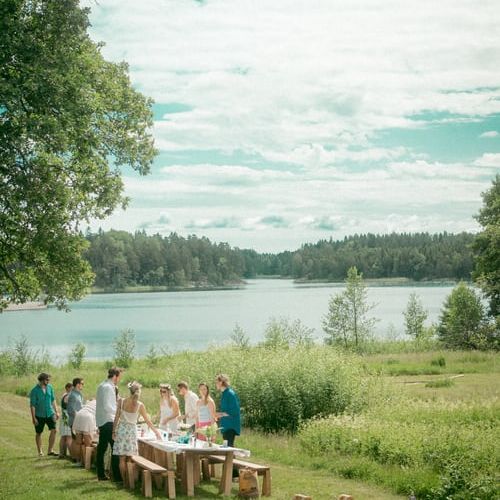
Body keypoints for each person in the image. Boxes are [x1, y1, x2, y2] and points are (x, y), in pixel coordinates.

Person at [113, 381, 161, 482]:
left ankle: (123, 481)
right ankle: (129, 481)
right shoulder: (140, 405)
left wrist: (113, 431)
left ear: (130, 391)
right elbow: (148, 421)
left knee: (121, 458)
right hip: (131, 432)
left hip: (121, 430)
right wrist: (156, 432)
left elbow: (116, 418)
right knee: (130, 458)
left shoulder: (121, 401)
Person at [95, 367, 123, 481]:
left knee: (102, 448)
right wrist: (119, 413)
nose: (120, 379)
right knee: (115, 448)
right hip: (107, 421)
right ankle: (116, 476)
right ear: (115, 376)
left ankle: (101, 474)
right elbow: (108, 406)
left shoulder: (103, 385)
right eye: (119, 376)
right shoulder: (107, 387)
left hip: (103, 420)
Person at [29, 372, 59, 457]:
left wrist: (56, 411)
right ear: (42, 380)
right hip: (39, 415)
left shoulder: (50, 387)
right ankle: (40, 451)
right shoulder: (34, 391)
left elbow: (53, 400)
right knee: (39, 433)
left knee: (54, 430)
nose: (49, 381)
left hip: (50, 413)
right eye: (47, 380)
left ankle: (50, 450)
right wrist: (34, 418)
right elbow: (32, 405)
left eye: (49, 380)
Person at [215, 374, 241, 447]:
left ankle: (231, 458)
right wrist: (218, 415)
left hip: (231, 425)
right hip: (226, 425)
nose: (216, 384)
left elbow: (234, 411)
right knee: (226, 447)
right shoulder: (224, 393)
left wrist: (219, 414)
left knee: (229, 448)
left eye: (216, 382)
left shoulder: (230, 393)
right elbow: (225, 410)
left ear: (221, 382)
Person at [72, 399, 97, 465]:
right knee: (88, 444)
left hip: (79, 415)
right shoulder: (102, 403)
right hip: (87, 418)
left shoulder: (91, 402)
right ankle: (87, 463)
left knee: (78, 442)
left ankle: (79, 461)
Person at [58, 382, 73, 458]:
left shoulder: (64, 395)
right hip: (66, 417)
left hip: (63, 417)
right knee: (68, 436)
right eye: (71, 388)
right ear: (68, 388)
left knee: (63, 436)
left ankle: (62, 453)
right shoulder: (68, 396)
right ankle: (72, 455)